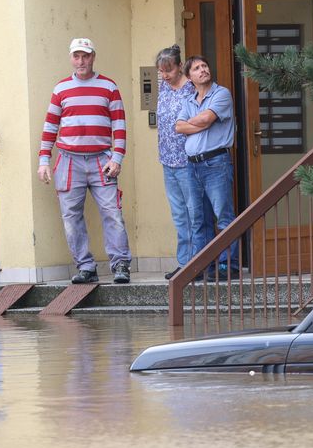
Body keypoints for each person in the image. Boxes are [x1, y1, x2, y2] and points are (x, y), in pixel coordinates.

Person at [37, 37, 133, 284]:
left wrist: (117, 157)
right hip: (69, 161)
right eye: (77, 56)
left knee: (112, 213)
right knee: (71, 216)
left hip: (102, 159)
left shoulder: (109, 87)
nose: (81, 61)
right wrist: (44, 160)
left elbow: (119, 125)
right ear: (71, 58)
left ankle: (121, 264)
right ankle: (85, 267)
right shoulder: (61, 89)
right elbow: (50, 127)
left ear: (93, 57)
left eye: (86, 56)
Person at [175, 55, 239, 277]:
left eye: (204, 65)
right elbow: (178, 127)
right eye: (196, 68)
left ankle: (226, 265)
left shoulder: (221, 94)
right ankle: (202, 265)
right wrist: (198, 122)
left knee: (223, 215)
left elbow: (205, 120)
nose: (203, 70)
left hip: (216, 162)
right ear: (189, 77)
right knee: (199, 217)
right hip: (192, 166)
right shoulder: (189, 100)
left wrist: (196, 122)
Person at [154, 44, 197, 279]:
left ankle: (195, 262)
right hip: (167, 159)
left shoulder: (190, 88)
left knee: (193, 212)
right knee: (179, 213)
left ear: (180, 67)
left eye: (168, 70)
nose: (164, 75)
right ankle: (183, 263)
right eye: (161, 71)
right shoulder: (163, 87)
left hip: (187, 159)